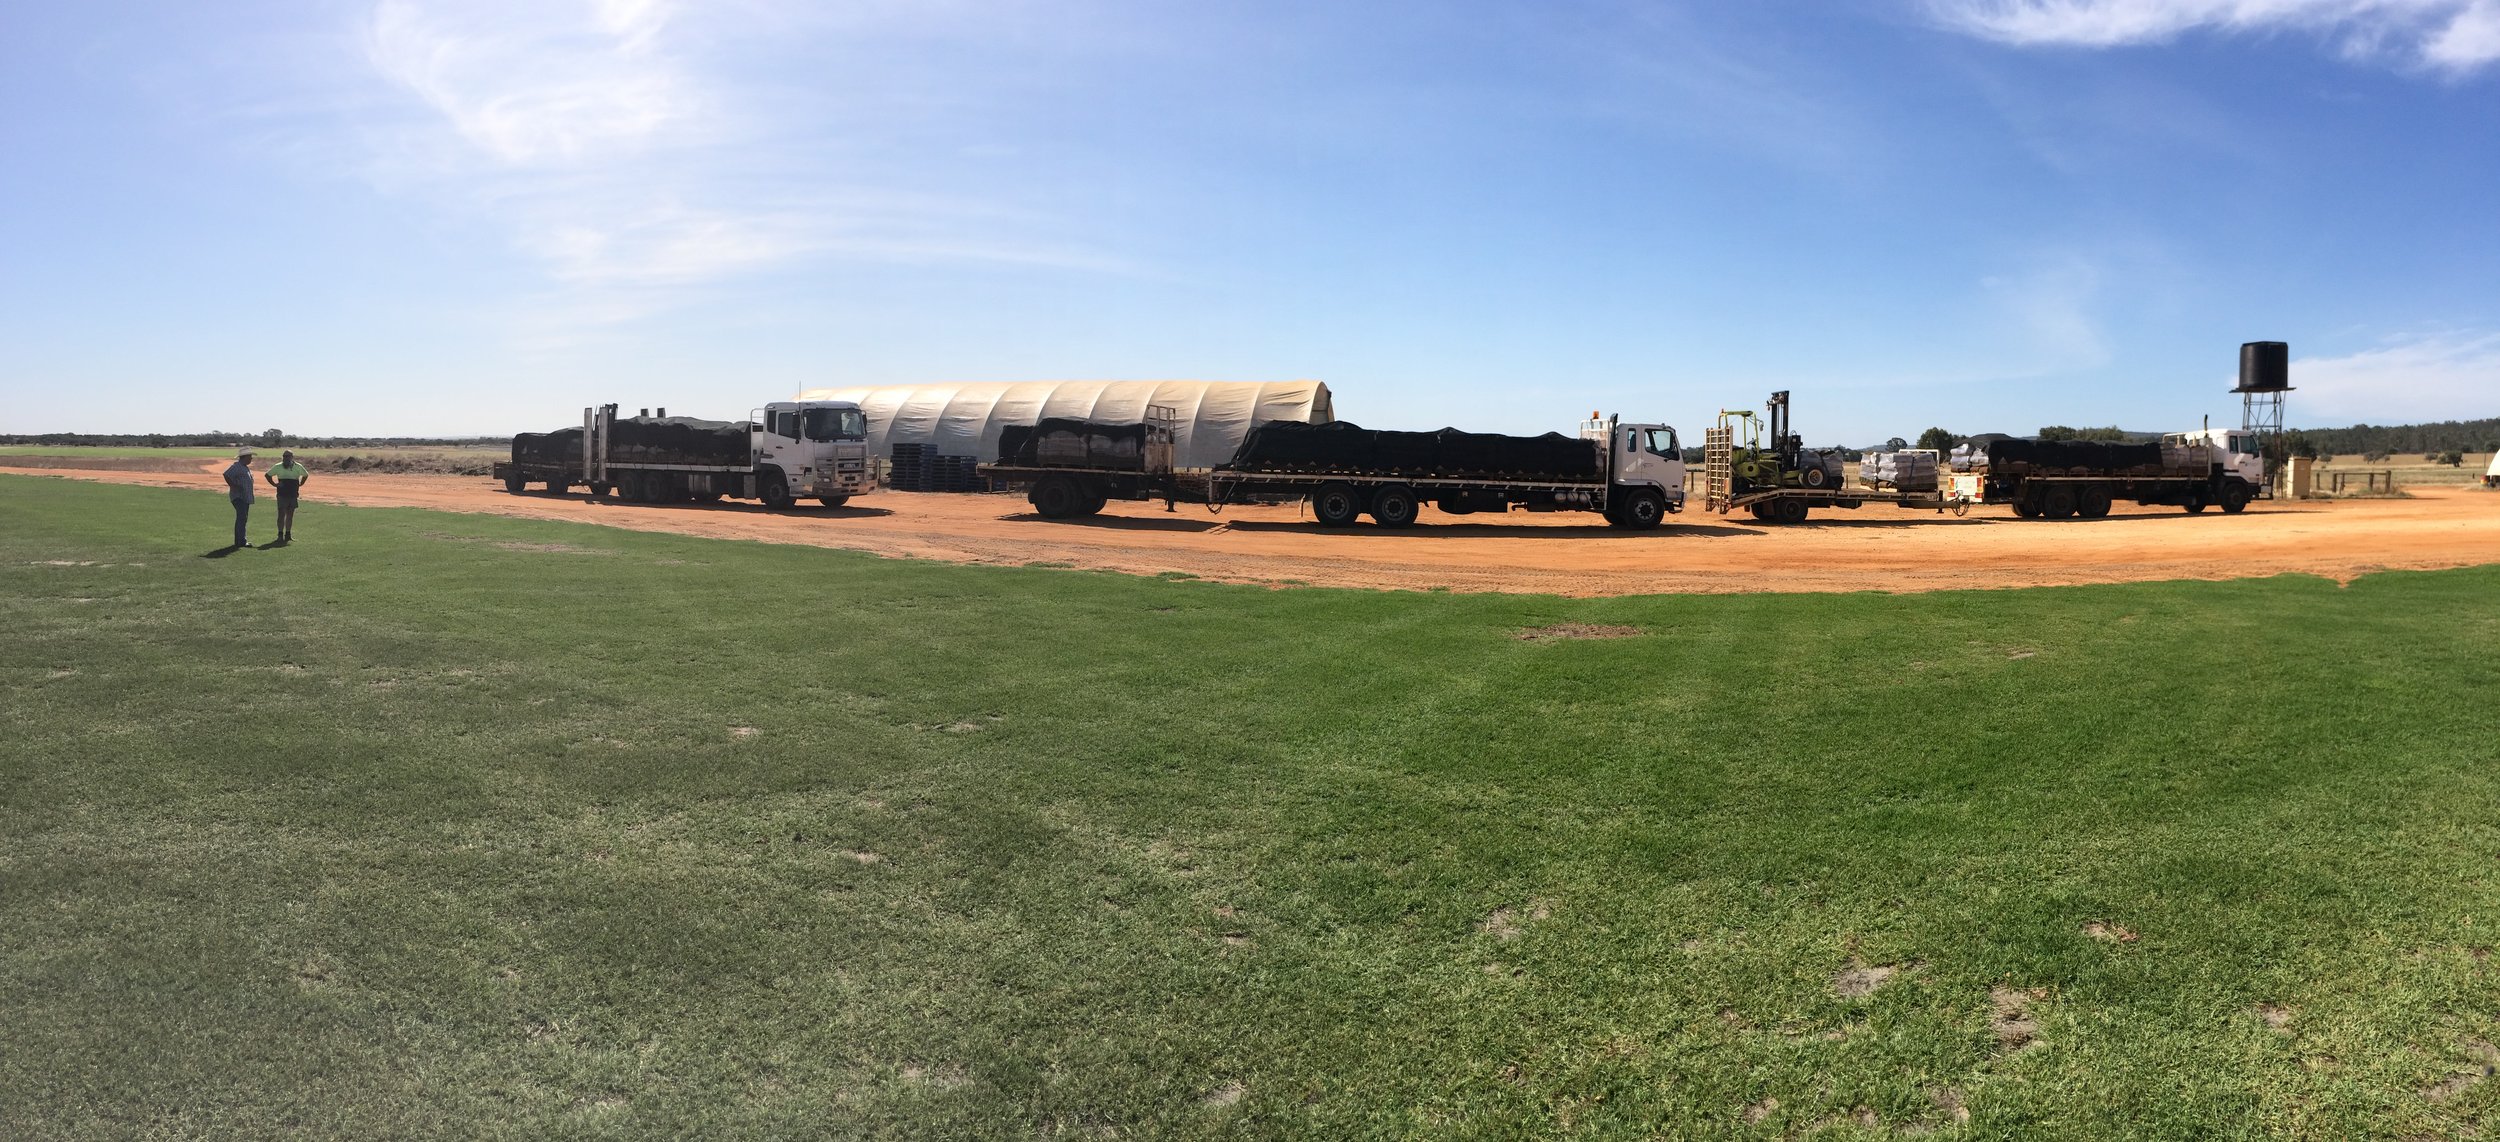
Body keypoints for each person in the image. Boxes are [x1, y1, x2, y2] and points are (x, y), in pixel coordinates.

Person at [264, 449, 310, 543]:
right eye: (284, 456)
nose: (285, 458)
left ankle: (288, 535)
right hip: (282, 494)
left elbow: (305, 475)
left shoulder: (298, 466)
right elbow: (268, 475)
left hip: (293, 494)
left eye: (288, 456)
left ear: (292, 457)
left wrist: (301, 484)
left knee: (290, 515)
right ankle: (280, 534)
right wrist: (274, 484)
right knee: (281, 514)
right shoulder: (278, 466)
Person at [223, 446, 256, 548]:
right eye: (250, 457)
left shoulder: (244, 467)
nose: (251, 459)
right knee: (242, 518)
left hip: (245, 497)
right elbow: (226, 474)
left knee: (243, 518)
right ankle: (240, 541)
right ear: (244, 457)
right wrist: (233, 486)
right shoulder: (237, 466)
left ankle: (240, 541)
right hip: (239, 497)